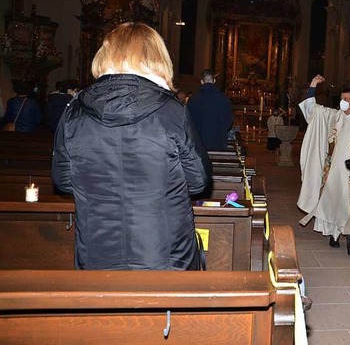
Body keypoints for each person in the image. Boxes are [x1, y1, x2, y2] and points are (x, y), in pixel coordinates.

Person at [51, 22, 211, 270]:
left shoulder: (74, 111)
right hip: (165, 258)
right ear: (157, 58)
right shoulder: (171, 112)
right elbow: (198, 181)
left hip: (97, 255)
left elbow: (62, 180)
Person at [297, 75, 350, 256]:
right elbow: (312, 111)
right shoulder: (334, 116)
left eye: (346, 99)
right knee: (333, 203)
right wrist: (312, 86)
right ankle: (334, 235)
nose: (342, 102)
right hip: (333, 172)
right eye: (341, 99)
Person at [187, 69, 233, 151]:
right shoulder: (223, 98)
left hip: (199, 144)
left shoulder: (194, 99)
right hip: (219, 142)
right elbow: (229, 120)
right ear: (214, 80)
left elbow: (188, 121)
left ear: (201, 82)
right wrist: (220, 131)